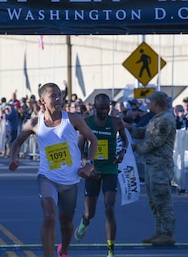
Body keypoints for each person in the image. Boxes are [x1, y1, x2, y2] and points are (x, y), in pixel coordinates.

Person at [8, 82, 98, 257]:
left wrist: (89, 164)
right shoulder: (34, 123)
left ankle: (63, 250)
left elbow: (93, 140)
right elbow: (17, 142)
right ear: (42, 100)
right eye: (53, 95)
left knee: (66, 224)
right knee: (49, 216)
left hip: (71, 179)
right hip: (47, 177)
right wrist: (13, 158)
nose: (58, 98)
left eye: (60, 95)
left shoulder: (73, 119)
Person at [74, 93, 128, 257]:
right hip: (93, 169)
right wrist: (86, 164)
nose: (104, 111)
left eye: (107, 108)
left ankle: (110, 250)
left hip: (110, 168)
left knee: (109, 207)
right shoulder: (87, 122)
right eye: (101, 108)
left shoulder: (116, 122)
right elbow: (80, 147)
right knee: (90, 213)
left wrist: (122, 152)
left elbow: (125, 140)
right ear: (94, 107)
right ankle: (84, 222)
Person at [128, 91, 176, 246]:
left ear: (156, 102)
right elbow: (145, 133)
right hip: (152, 165)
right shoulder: (157, 118)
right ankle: (160, 231)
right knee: (154, 200)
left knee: (162, 200)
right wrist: (128, 128)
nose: (148, 104)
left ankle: (167, 233)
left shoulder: (166, 119)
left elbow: (156, 141)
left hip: (160, 166)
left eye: (150, 101)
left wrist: (136, 148)